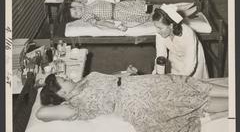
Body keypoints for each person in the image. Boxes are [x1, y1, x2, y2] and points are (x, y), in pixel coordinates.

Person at [37, 72, 228, 132]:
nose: (68, 77)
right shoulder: (74, 106)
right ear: (62, 93)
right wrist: (53, 99)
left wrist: (125, 73)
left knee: (186, 84)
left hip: (138, 82)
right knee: (187, 101)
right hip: (136, 102)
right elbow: (41, 114)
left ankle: (233, 92)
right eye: (64, 81)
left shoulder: (85, 79)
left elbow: (109, 79)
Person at [152, 4, 209, 79]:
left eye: (160, 28)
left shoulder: (188, 34)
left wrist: (178, 79)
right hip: (176, 58)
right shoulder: (160, 33)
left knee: (194, 85)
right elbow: (160, 56)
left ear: (171, 25)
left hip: (193, 60)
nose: (157, 31)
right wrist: (157, 72)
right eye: (156, 27)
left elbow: (190, 66)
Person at [70, 0, 153, 31]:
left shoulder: (86, 5)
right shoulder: (86, 16)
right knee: (136, 12)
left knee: (135, 4)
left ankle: (150, 9)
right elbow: (102, 23)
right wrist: (117, 27)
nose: (77, 10)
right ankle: (151, 14)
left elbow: (75, 2)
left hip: (118, 5)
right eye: (76, 13)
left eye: (75, 8)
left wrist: (76, 5)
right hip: (117, 13)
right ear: (79, 18)